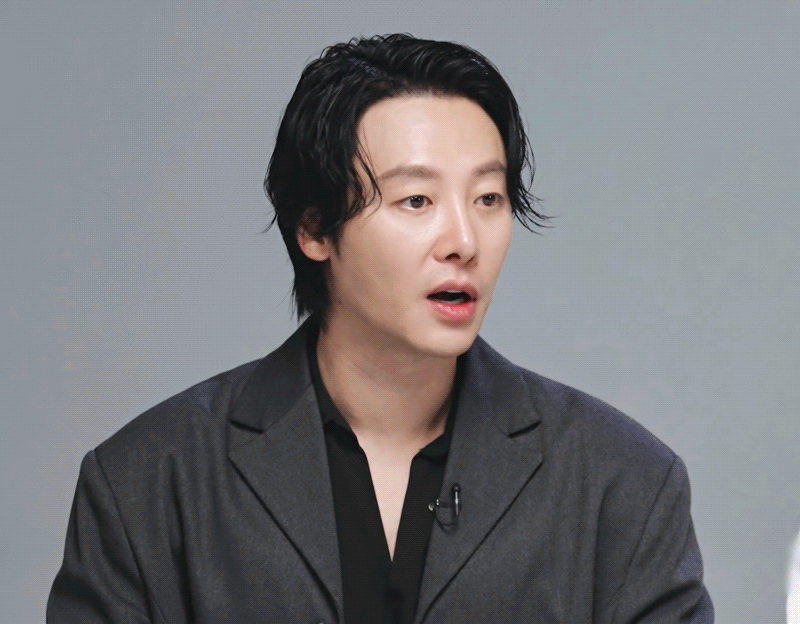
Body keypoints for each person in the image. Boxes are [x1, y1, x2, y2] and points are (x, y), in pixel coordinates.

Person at [47, 34, 713, 623]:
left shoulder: (621, 483)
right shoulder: (149, 481)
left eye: (488, 198)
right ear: (315, 229)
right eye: (416, 200)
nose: (463, 241)